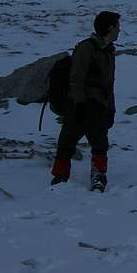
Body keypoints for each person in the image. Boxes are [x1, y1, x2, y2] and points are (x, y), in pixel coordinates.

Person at [50, 10, 120, 192]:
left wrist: (111, 110)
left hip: (99, 106)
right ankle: (59, 178)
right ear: (110, 28)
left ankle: (98, 177)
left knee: (100, 144)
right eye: (118, 26)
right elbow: (76, 78)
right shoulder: (86, 48)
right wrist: (79, 103)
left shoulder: (108, 52)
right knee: (67, 142)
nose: (120, 30)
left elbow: (109, 85)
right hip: (80, 104)